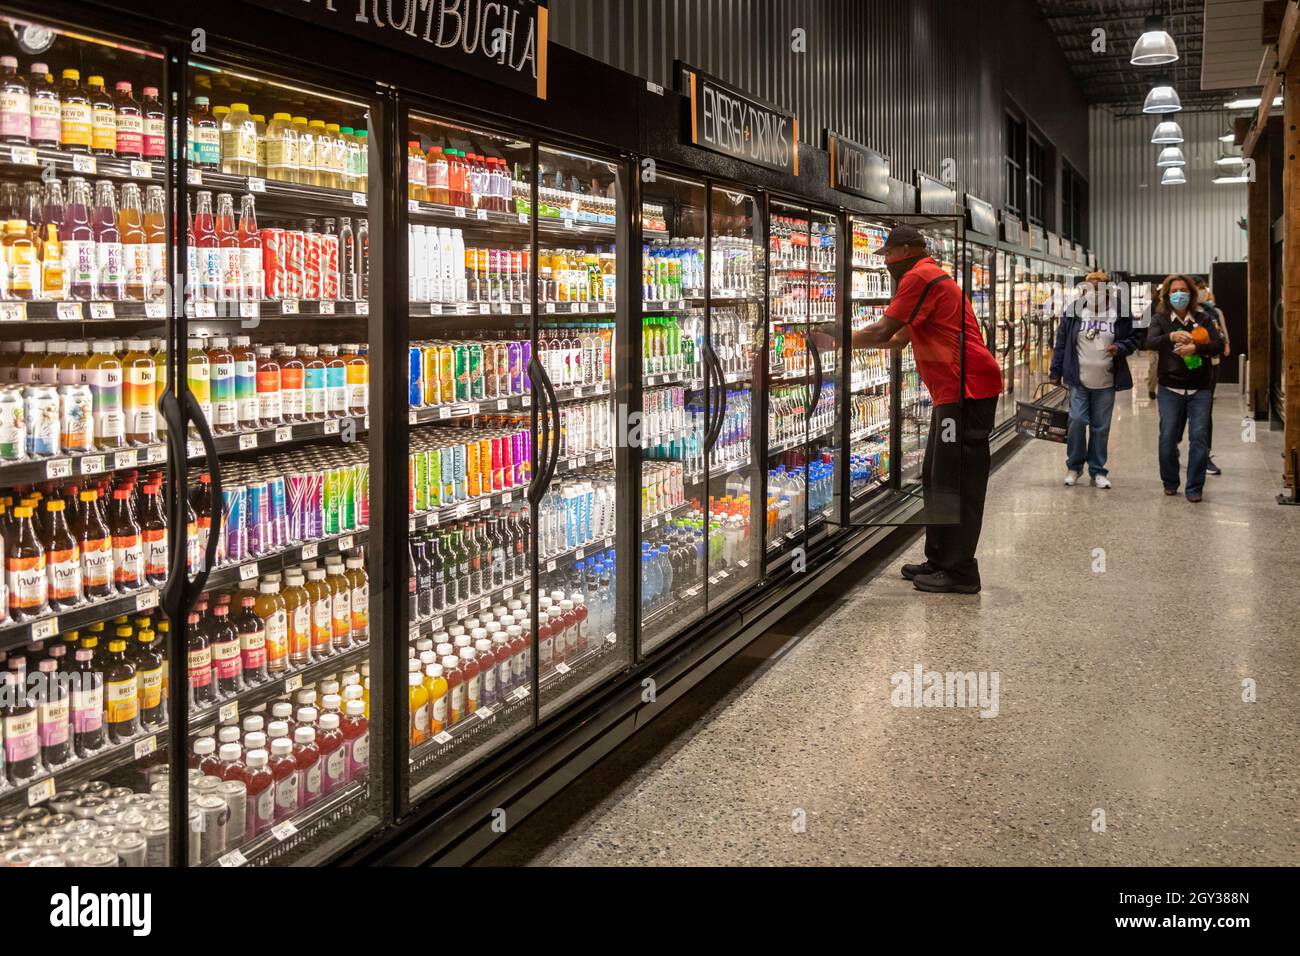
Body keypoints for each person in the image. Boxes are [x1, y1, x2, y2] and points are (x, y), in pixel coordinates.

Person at [835, 224, 1004, 593]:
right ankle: (939, 559)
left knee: (957, 480)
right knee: (936, 476)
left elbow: (882, 332)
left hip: (968, 389)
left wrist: (833, 338)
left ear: (909, 250)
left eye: (889, 255)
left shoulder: (921, 276)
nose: (886, 263)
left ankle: (960, 572)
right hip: (954, 392)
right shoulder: (929, 280)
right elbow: (896, 342)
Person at [1049, 270, 1139, 488]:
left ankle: (1098, 470)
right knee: (1077, 421)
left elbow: (1135, 338)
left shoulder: (1120, 311)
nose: (1093, 290)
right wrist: (1055, 371)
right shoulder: (1074, 311)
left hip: (1106, 381)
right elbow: (1061, 343)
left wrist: (1120, 347)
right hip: (1078, 379)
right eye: (1089, 286)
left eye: (1098, 286)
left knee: (1101, 427)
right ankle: (1074, 467)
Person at [1146, 274, 1225, 502]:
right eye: (1174, 291)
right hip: (1170, 388)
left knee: (1199, 437)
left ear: (1190, 293)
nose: (1179, 294)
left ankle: (1195, 487)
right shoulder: (1160, 319)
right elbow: (1149, 342)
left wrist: (1196, 349)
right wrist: (1170, 336)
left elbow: (1217, 345)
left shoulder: (1204, 318)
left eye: (1183, 290)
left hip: (1200, 388)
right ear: (1167, 296)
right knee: (1168, 438)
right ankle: (1170, 481)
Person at [1195, 278, 1229, 475]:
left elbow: (1220, 336)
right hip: (1183, 370)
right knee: (1177, 419)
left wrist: (1224, 344)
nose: (1200, 292)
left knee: (1204, 413)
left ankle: (1204, 456)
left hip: (1210, 365)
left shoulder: (1212, 312)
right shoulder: (1179, 314)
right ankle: (1173, 446)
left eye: (1202, 289)